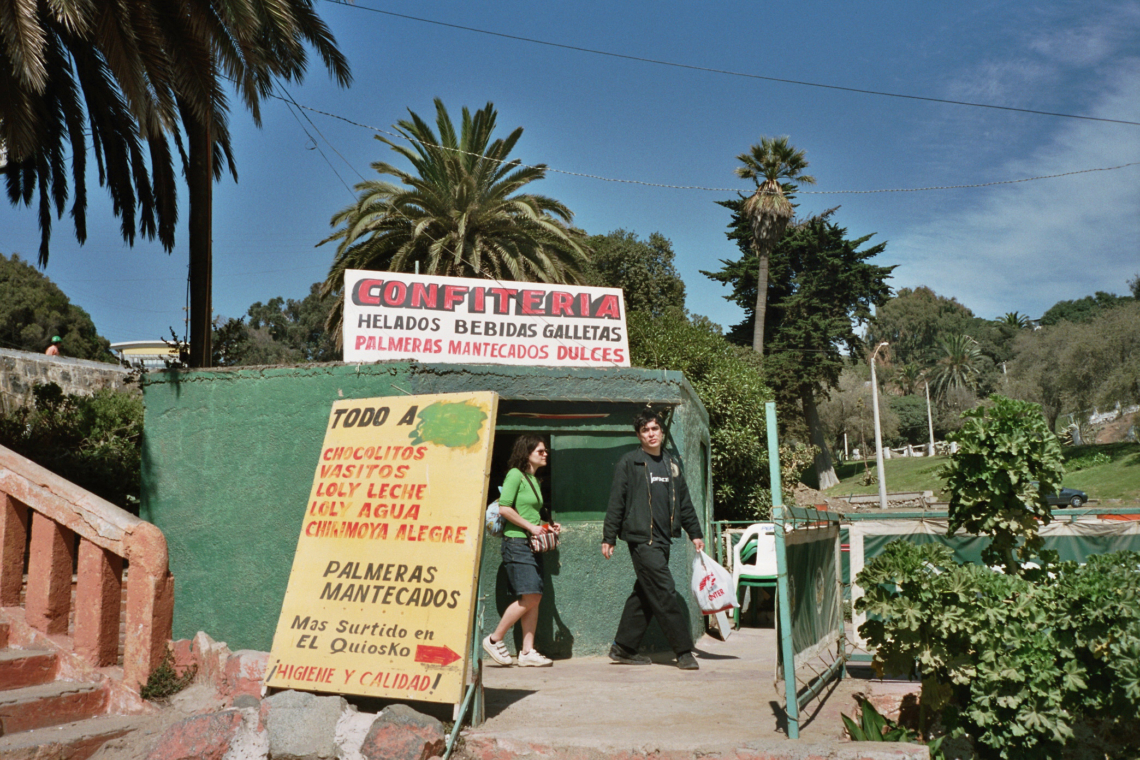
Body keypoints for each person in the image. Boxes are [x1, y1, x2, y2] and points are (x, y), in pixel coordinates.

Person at [602, 409, 704, 670]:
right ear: (639, 435)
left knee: (645, 594)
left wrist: (695, 533)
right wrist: (609, 536)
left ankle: (622, 648)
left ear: (661, 431)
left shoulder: (671, 464)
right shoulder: (630, 462)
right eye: (645, 430)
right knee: (664, 590)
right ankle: (683, 651)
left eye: (654, 429)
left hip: (663, 540)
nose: (651, 434)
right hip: (641, 540)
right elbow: (616, 501)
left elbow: (684, 503)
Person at [483, 434, 560, 667]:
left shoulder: (533, 480)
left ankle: (527, 652)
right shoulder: (515, 475)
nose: (545, 454)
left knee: (534, 598)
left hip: (529, 544)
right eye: (540, 451)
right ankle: (495, 639)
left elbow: (530, 515)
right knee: (532, 596)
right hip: (516, 543)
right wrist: (530, 527)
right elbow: (505, 508)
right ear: (526, 454)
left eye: (545, 450)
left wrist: (547, 526)